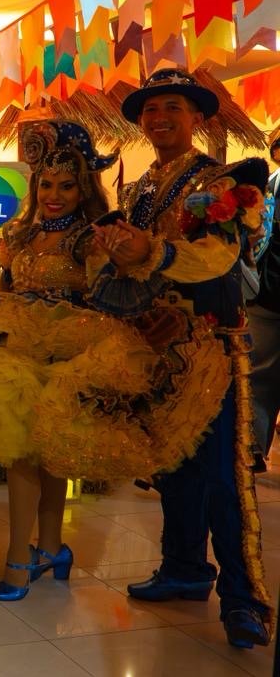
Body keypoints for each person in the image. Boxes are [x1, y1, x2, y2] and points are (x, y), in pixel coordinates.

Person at [0, 120, 223, 600]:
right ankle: (49, 548)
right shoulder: (20, 235)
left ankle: (24, 558)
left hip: (71, 352)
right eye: (46, 184)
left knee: (46, 450)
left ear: (83, 188)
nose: (54, 195)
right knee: (25, 450)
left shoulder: (90, 238)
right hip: (17, 351)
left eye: (66, 186)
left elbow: (111, 294)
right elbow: (6, 289)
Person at [91, 68, 271, 648]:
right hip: (154, 345)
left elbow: (217, 259)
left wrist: (150, 249)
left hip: (210, 346)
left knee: (222, 476)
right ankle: (185, 569)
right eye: (150, 109)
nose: (159, 117)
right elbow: (129, 265)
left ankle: (244, 600)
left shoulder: (222, 182)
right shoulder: (139, 187)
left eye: (172, 106)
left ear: (196, 117)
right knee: (172, 466)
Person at [245, 131, 280, 468]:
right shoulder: (265, 188)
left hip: (267, 294)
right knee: (258, 377)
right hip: (266, 295)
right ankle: (252, 449)